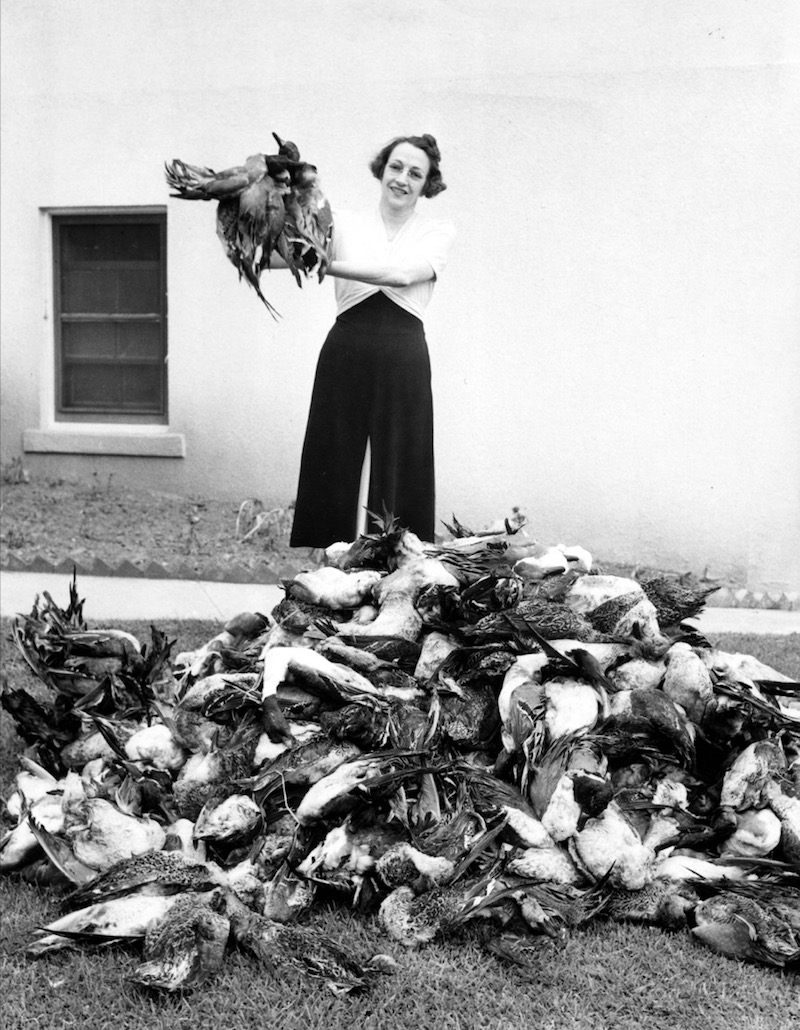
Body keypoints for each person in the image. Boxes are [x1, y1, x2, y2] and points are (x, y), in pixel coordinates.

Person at [289, 133, 456, 550]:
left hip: (403, 354)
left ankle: (395, 561)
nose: (402, 179)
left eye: (415, 174)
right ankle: (330, 561)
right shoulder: (342, 222)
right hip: (346, 346)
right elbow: (289, 256)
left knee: (401, 460)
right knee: (332, 453)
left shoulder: (437, 231)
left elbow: (399, 275)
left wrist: (324, 264)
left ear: (427, 184)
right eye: (396, 167)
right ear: (382, 170)